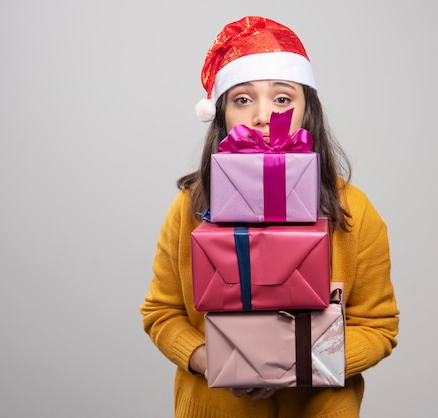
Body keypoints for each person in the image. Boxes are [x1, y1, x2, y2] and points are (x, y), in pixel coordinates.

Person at [140, 15, 399, 418]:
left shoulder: (354, 211)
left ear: (305, 110)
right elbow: (161, 313)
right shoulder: (190, 208)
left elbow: (378, 326)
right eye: (243, 99)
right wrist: (215, 362)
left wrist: (302, 365)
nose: (263, 116)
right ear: (222, 112)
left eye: (282, 98)